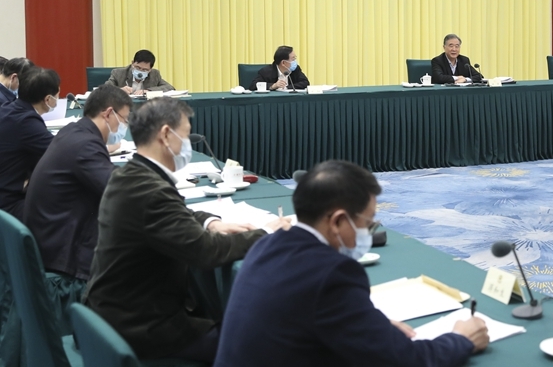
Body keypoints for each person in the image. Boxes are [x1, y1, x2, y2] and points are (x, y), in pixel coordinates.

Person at [214, 160, 489, 367]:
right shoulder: (333, 274)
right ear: (337, 221)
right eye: (367, 224)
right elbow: (408, 361)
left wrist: (366, 323)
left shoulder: (269, 244)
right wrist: (461, 339)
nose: (368, 232)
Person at [84, 97, 290, 364]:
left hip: (115, 310)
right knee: (262, 343)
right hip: (141, 326)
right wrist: (266, 233)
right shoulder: (151, 190)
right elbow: (206, 251)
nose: (187, 144)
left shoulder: (131, 174)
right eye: (185, 134)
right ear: (166, 135)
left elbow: (173, 213)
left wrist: (210, 222)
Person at [23, 85, 133, 289]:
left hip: (50, 237)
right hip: (63, 258)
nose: (125, 126)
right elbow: (121, 191)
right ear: (108, 113)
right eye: (125, 119)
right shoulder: (86, 144)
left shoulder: (73, 130)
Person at [0, 66, 58, 219]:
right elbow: (60, 152)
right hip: (8, 205)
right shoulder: (27, 122)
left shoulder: (8, 108)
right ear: (48, 99)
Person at [105, 49, 174, 94]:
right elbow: (105, 89)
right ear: (132, 63)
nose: (140, 71)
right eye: (138, 67)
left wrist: (148, 91)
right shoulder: (119, 73)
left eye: (145, 70)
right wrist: (120, 90)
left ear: (150, 69)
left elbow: (170, 88)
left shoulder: (154, 74)